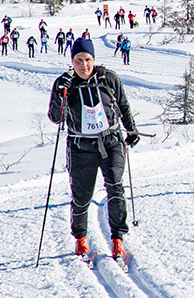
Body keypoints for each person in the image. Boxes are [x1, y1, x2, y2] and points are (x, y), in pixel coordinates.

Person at [47, 38, 139, 259]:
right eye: (79, 60)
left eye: (88, 59)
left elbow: (123, 105)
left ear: (93, 59)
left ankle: (118, 239)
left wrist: (131, 130)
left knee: (115, 188)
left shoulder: (109, 78)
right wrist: (61, 94)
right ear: (72, 61)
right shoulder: (64, 83)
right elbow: (54, 118)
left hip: (111, 142)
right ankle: (80, 239)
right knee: (81, 197)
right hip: (81, 147)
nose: (84, 65)